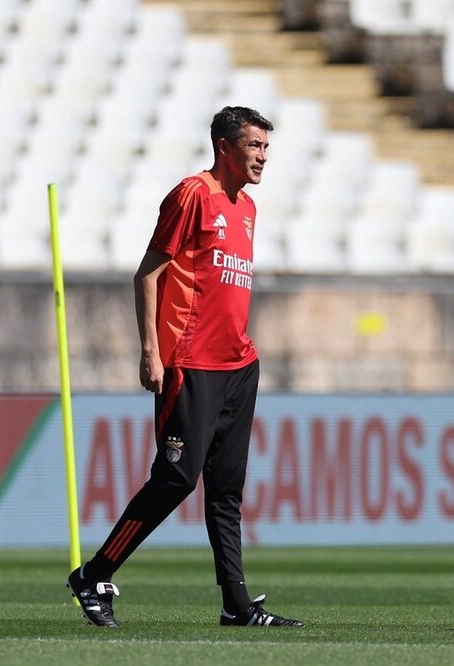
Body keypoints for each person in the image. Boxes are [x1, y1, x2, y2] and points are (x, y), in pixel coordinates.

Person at [67, 106, 303, 629]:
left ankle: (236, 605)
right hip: (191, 362)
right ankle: (94, 574)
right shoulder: (191, 194)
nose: (264, 156)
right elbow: (148, 274)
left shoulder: (247, 209)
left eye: (266, 147)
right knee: (175, 477)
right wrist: (150, 350)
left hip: (239, 364)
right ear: (225, 146)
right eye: (255, 146)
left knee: (225, 489)